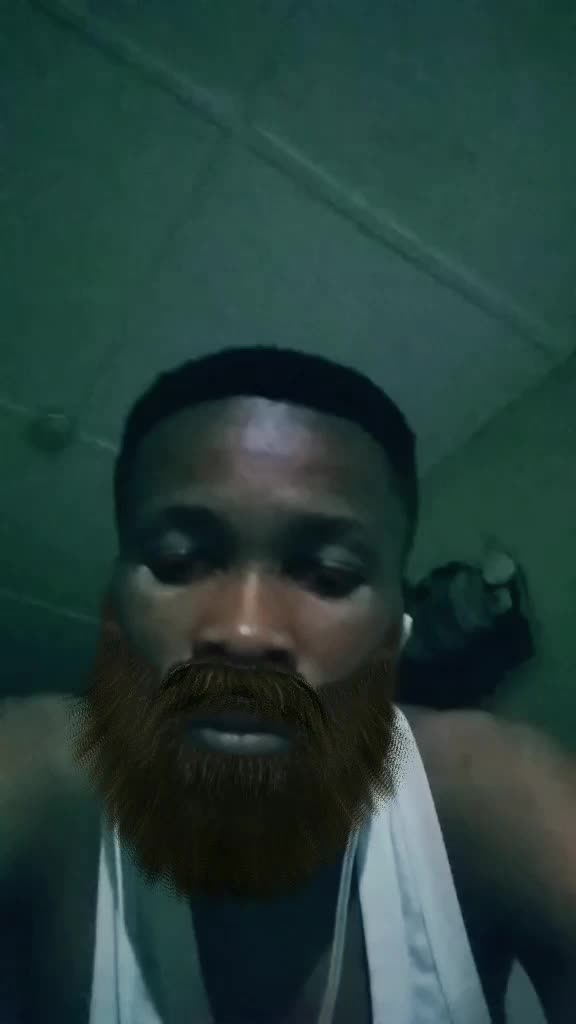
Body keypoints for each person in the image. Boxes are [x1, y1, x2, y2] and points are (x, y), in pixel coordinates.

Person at [2, 345, 575, 1024]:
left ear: (392, 634)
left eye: (329, 576)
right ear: (115, 612)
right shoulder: (49, 778)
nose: (245, 631)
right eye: (177, 562)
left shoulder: (488, 791)